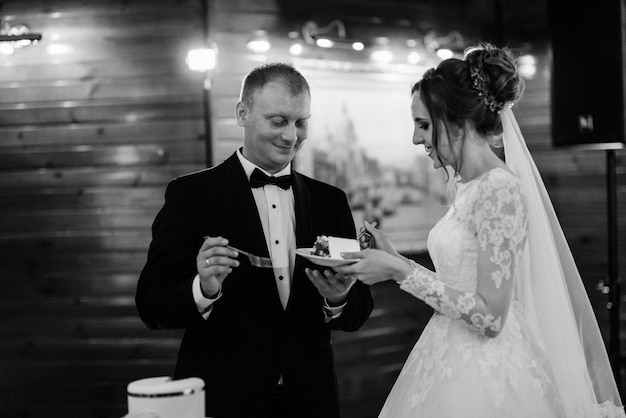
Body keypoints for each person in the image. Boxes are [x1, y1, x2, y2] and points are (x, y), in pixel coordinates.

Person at [335, 44, 625, 417]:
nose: (415, 139)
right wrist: (397, 260)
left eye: (423, 124)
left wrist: (399, 272)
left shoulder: (499, 189)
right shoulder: (467, 187)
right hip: (446, 354)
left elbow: (490, 317)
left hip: (488, 372)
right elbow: (463, 286)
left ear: (456, 121)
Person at [135, 62, 373, 418]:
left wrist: (338, 298)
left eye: (301, 122)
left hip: (310, 400)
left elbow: (357, 312)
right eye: (278, 121)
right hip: (223, 398)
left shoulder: (330, 200)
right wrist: (204, 288)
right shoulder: (191, 195)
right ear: (242, 113)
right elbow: (151, 304)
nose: (292, 136)